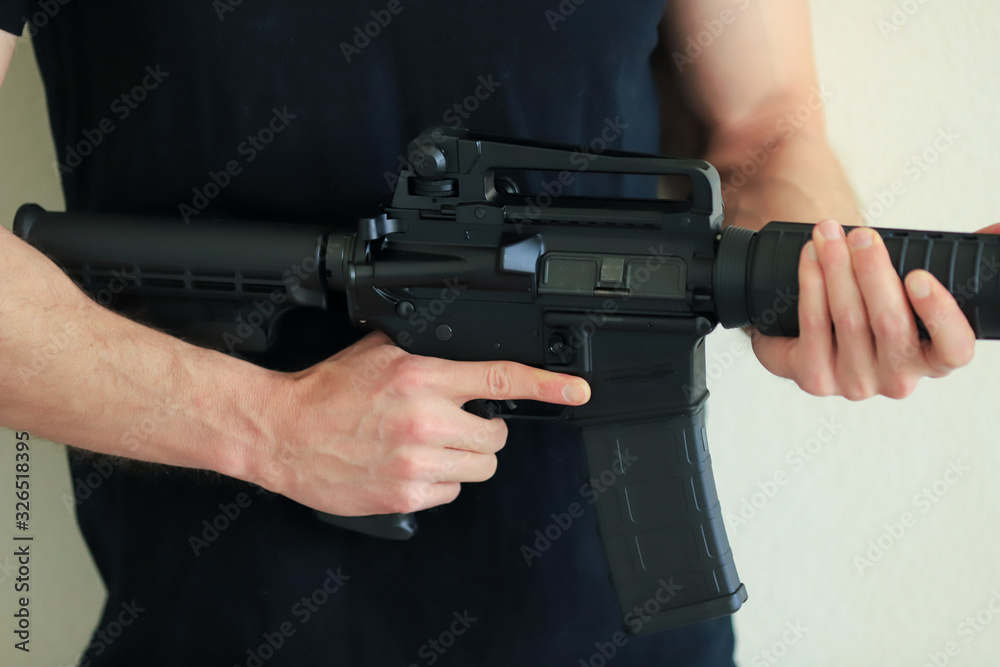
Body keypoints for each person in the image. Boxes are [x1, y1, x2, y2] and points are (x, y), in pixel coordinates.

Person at [0, 1, 983, 665]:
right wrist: (266, 425)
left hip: (622, 630)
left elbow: (766, 126)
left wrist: (814, 280)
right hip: (225, 626)